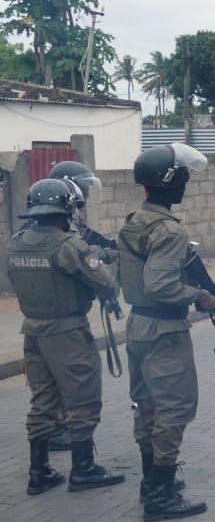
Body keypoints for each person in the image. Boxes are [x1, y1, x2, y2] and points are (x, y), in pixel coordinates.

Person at [6, 179, 124, 495]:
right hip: (68, 333)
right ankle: (84, 469)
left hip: (33, 331)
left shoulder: (15, 243)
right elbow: (107, 286)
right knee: (82, 397)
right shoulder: (68, 245)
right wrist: (102, 261)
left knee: (43, 400)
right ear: (68, 209)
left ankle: (39, 471)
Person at [119, 143, 215, 521]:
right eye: (184, 176)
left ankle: (150, 482)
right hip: (164, 328)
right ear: (171, 181)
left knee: (148, 405)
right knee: (175, 408)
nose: (187, 182)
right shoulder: (171, 231)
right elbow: (160, 284)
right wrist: (199, 295)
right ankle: (161, 495)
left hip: (139, 325)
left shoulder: (134, 221)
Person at [41, 161, 116, 452]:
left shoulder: (64, 219)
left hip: (49, 317)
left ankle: (50, 434)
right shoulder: (58, 226)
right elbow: (77, 254)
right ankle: (64, 436)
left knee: (51, 379)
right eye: (83, 186)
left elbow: (87, 243)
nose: (86, 193)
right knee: (71, 378)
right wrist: (101, 259)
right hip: (61, 319)